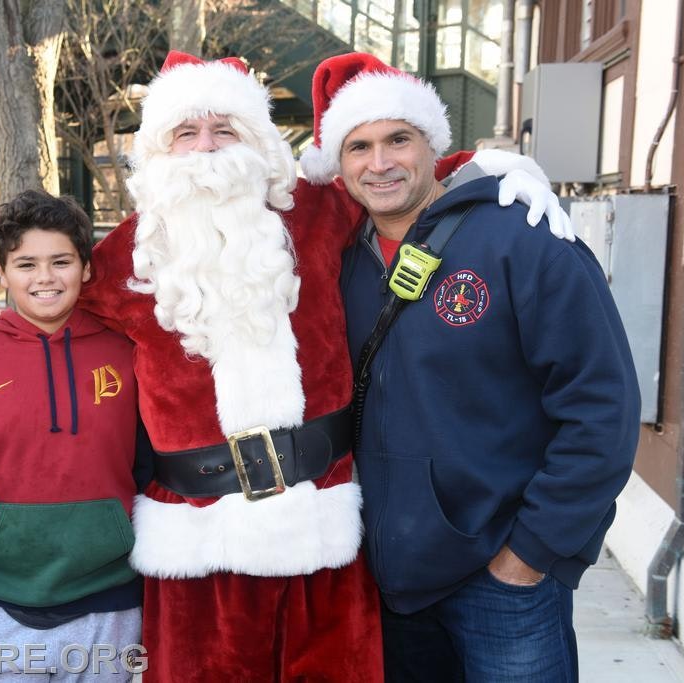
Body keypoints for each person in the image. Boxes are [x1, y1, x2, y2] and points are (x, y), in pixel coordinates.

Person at [78, 51, 570, 681]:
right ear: (157, 150)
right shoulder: (122, 258)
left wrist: (497, 175)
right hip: (197, 545)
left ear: (257, 140)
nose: (205, 148)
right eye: (186, 132)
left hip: (326, 532)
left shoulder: (313, 211)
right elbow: (49, 313)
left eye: (224, 129)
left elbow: (398, 175)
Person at [315, 53, 641, 681]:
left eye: (397, 140)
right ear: (340, 162)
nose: (379, 163)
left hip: (505, 582)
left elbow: (602, 410)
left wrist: (532, 554)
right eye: (359, 146)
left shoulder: (525, 240)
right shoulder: (338, 262)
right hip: (390, 588)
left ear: (431, 144)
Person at [0, 191, 144, 680]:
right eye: (26, 264)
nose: (45, 278)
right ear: (2, 273)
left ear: (86, 267)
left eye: (61, 261)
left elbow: (151, 475)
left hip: (112, 604)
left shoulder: (130, 355)